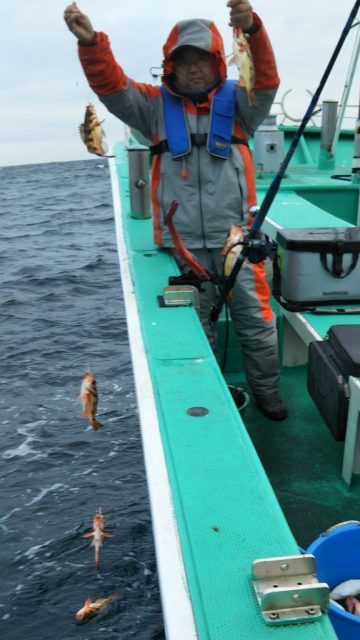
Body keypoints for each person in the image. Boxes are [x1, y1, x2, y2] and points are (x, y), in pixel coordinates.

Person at [64, 1, 288, 420]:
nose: (193, 69)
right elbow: (111, 87)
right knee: (194, 330)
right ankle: (211, 399)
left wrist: (253, 29)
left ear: (218, 63)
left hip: (235, 242)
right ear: (169, 67)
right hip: (180, 247)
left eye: (201, 60)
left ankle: (268, 394)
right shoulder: (151, 108)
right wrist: (93, 44)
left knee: (258, 325)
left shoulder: (244, 104)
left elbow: (267, 77)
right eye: (182, 62)